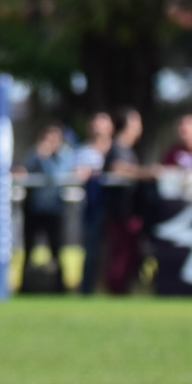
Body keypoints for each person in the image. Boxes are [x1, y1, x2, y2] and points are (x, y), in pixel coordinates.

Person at [16, 123, 76, 292]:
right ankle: (25, 286)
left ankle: (60, 287)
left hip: (54, 210)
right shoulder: (33, 153)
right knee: (28, 249)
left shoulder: (65, 155)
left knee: (56, 249)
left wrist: (44, 158)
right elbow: (24, 172)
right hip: (33, 209)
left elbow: (54, 176)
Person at [103, 109, 146, 294]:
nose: (140, 127)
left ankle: (123, 289)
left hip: (129, 210)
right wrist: (147, 173)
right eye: (136, 122)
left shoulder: (127, 149)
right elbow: (117, 168)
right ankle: (116, 291)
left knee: (131, 253)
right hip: (121, 211)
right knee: (121, 253)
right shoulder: (118, 147)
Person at [73, 111, 113, 294]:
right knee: (92, 249)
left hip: (118, 207)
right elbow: (78, 175)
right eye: (95, 125)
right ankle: (88, 288)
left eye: (102, 124)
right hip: (93, 207)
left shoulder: (116, 149)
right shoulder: (83, 151)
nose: (98, 129)